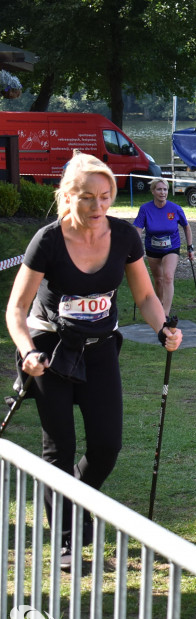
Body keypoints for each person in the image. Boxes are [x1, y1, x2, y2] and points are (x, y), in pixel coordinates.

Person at [4, 152, 183, 569]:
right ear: (67, 196)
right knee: (58, 448)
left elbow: (145, 297)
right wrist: (28, 350)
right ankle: (67, 540)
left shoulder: (123, 236)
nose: (98, 207)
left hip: (100, 348)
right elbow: (15, 309)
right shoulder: (47, 240)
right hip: (50, 350)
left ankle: (77, 500)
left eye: (105, 197)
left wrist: (163, 330)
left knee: (106, 446)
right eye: (87, 198)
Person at [133, 178, 194, 314]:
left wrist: (190, 247)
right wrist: (135, 248)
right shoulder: (145, 209)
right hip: (152, 248)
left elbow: (186, 227)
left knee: (168, 276)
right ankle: (159, 304)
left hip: (171, 247)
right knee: (158, 280)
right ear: (153, 191)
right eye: (159, 189)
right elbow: (138, 229)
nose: (162, 192)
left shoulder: (175, 209)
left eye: (165, 189)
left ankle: (165, 313)